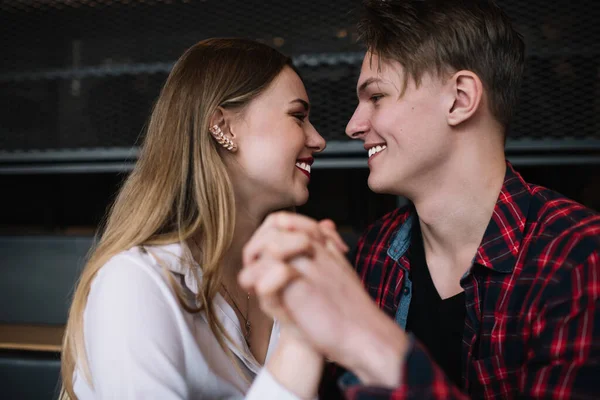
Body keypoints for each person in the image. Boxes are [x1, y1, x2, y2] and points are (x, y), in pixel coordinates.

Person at [239, 0, 600, 398]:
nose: (353, 126)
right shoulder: (375, 252)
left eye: (376, 97)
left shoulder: (579, 258)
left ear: (460, 99)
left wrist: (372, 340)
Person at [59, 38, 333, 399]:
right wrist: (300, 349)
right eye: (298, 116)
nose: (319, 140)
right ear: (224, 127)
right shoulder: (137, 283)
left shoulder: (287, 280)